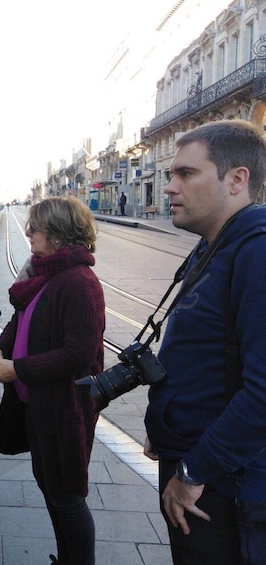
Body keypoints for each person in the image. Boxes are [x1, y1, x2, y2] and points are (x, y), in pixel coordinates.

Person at [143, 119, 266, 564]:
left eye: (186, 174)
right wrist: (167, 420)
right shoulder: (214, 245)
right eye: (171, 174)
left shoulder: (256, 251)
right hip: (195, 462)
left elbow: (263, 392)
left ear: (237, 179)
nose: (170, 186)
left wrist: (193, 471)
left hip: (222, 485)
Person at [0, 196, 105, 564]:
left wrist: (17, 370)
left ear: (59, 235)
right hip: (37, 405)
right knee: (50, 489)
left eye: (36, 227)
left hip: (65, 409)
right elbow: (19, 321)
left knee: (67, 497)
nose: (28, 232)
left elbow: (78, 355)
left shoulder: (79, 282)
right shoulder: (42, 274)